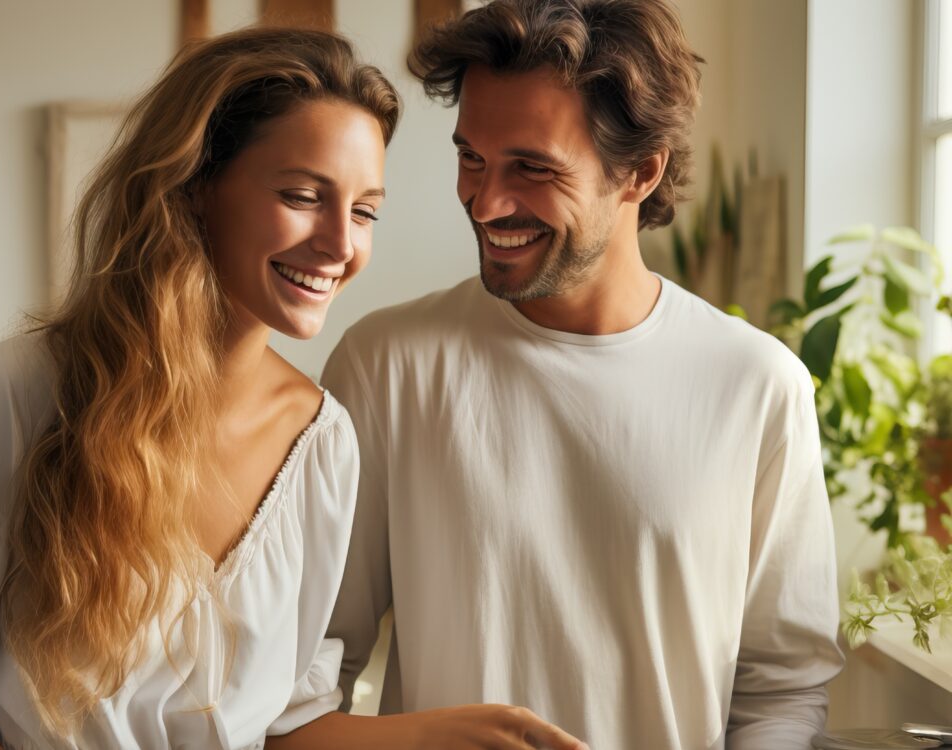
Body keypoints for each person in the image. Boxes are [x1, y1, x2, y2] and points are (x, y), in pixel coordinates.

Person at [0, 26, 586, 750]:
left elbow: (287, 727)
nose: (341, 244)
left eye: (365, 211)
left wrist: (453, 733)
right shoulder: (25, 394)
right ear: (193, 188)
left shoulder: (322, 444)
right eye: (305, 195)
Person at [321, 1, 845, 748]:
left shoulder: (758, 387)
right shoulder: (386, 366)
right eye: (471, 156)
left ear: (641, 171)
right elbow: (312, 667)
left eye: (532, 168)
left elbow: (783, 689)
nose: (485, 199)